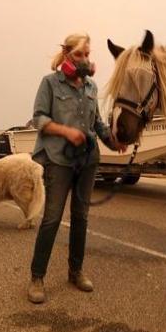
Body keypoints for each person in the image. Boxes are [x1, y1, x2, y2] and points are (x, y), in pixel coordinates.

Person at [27, 33, 126, 304]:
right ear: (67, 55)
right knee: (52, 218)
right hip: (59, 160)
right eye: (80, 55)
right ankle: (37, 277)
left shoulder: (91, 87)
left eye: (88, 55)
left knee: (81, 218)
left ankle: (75, 271)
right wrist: (65, 132)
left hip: (87, 161)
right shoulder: (50, 83)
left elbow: (97, 124)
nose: (85, 60)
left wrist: (113, 141)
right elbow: (38, 119)